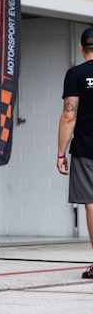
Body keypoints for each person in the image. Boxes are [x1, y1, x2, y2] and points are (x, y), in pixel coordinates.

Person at [57, 26, 93, 279]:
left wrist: (61, 153)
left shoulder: (76, 74)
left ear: (81, 47)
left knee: (92, 203)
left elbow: (69, 114)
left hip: (86, 148)